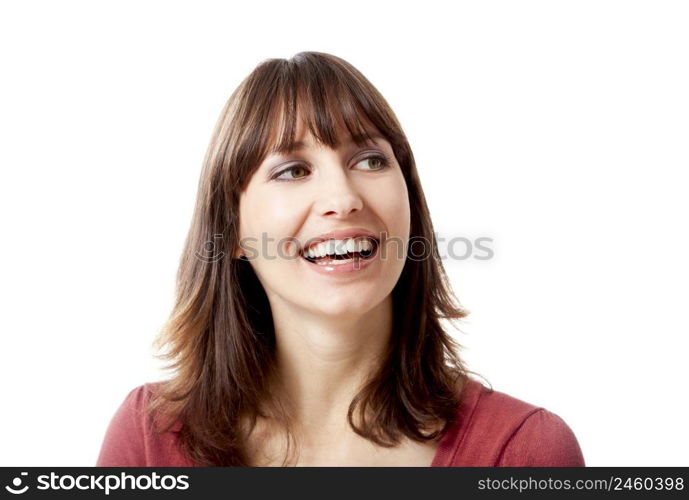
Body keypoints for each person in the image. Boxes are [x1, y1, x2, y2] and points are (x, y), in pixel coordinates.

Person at [96, 51, 585, 467]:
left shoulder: (523, 452)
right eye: (292, 170)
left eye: (370, 160)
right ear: (233, 233)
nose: (342, 197)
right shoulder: (150, 438)